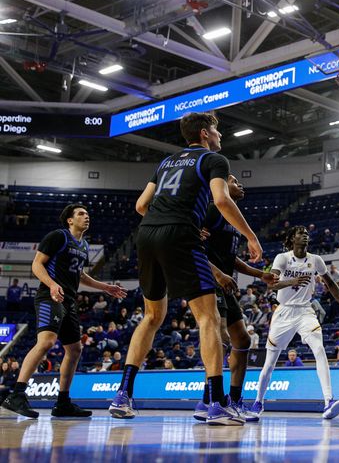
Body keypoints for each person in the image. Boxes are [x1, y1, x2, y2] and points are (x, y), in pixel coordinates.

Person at [108, 113, 262, 425]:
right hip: (180, 234)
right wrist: (251, 235)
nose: (219, 135)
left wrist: (163, 218)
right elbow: (220, 200)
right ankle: (217, 403)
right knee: (208, 317)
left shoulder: (166, 163)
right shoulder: (214, 160)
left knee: (152, 317)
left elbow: (140, 205)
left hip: (146, 233)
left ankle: (123, 395)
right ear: (205, 134)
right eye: (217, 129)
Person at [2, 204, 126, 419]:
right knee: (47, 342)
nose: (86, 217)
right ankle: (17, 395)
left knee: (75, 350)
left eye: (87, 214)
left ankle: (62, 402)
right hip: (49, 296)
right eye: (80, 214)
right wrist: (51, 284)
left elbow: (80, 275)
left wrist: (105, 287)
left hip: (68, 300)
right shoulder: (58, 236)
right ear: (70, 220)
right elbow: (37, 265)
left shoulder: (84, 245)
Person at [252, 226, 339, 420]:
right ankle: (259, 401)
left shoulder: (316, 260)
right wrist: (291, 282)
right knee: (269, 363)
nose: (305, 235)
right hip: (284, 312)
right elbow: (271, 283)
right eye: (301, 233)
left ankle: (329, 401)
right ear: (292, 238)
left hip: (305, 311)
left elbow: (331, 285)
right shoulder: (282, 258)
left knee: (319, 349)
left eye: (307, 233)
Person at [194, 174, 274, 423]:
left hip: (225, 282)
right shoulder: (211, 210)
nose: (240, 184)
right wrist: (217, 274)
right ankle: (209, 400)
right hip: (208, 279)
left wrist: (260, 274)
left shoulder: (233, 218)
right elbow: (192, 246)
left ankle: (235, 399)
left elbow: (230, 258)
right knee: (219, 336)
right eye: (234, 181)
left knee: (243, 339)